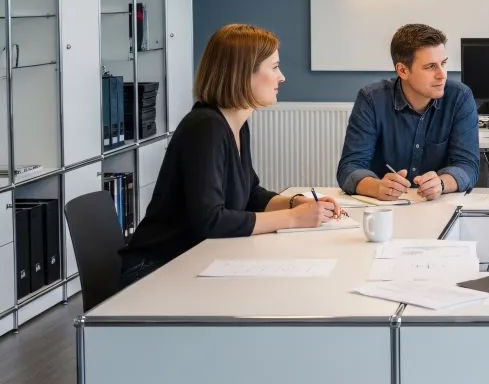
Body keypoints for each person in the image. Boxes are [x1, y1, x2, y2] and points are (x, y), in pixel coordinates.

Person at [119, 25, 342, 287]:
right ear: (244, 73)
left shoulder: (236, 123)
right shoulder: (205, 127)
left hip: (195, 258)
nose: (281, 77)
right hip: (156, 268)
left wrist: (298, 203)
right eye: (274, 67)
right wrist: (294, 219)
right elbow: (210, 221)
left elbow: (251, 194)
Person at [337, 23, 480, 200]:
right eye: (430, 67)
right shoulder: (372, 99)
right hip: (385, 209)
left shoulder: (460, 97)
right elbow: (350, 167)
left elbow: (468, 165)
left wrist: (441, 183)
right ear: (403, 70)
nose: (442, 74)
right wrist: (376, 187)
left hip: (438, 206)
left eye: (443, 63)